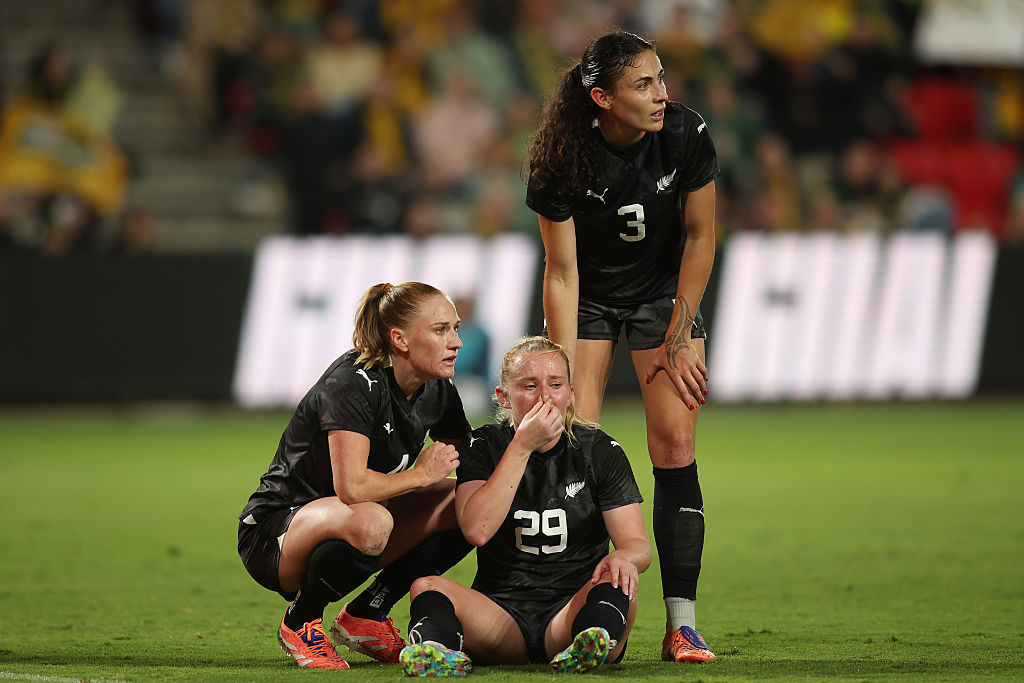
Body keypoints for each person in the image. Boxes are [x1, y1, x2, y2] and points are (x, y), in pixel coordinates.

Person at [524, 30, 719, 663]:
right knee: (571, 443)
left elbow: (700, 237)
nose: (662, 94)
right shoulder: (562, 157)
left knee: (676, 445)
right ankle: (573, 614)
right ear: (603, 98)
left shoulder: (686, 133)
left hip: (662, 297)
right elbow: (561, 271)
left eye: (661, 78)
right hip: (588, 299)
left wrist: (681, 333)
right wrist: (558, 369)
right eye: (644, 84)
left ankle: (682, 626)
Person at [237, 282, 475, 669]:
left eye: (456, 328)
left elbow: (470, 458)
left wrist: (521, 449)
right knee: (372, 521)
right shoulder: (353, 382)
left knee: (467, 504)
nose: (456, 342)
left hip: (358, 518)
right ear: (399, 339)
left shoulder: (437, 388)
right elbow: (352, 487)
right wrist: (419, 476)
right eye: (440, 330)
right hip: (275, 531)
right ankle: (300, 621)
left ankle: (368, 613)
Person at [396, 336, 651, 676]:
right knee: (425, 586)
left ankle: (588, 643)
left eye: (556, 385)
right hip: (501, 616)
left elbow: (637, 545)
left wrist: (623, 558)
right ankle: (436, 651)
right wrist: (522, 446)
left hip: (571, 608)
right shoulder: (483, 445)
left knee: (619, 581)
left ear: (570, 392)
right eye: (530, 386)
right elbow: (477, 529)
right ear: (504, 396)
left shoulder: (599, 450)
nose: (545, 397)